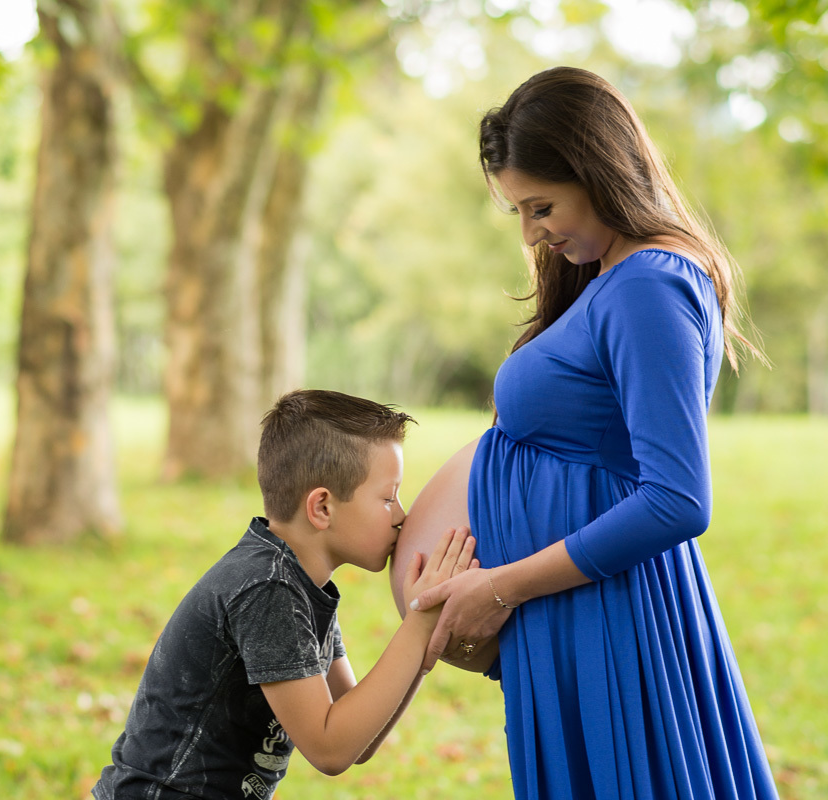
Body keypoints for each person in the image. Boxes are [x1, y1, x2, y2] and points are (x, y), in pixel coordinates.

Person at [395, 66, 780, 798]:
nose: (531, 232)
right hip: (578, 609)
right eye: (519, 211)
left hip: (604, 616)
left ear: (596, 170)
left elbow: (676, 500)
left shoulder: (647, 285)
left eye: (541, 206)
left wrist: (500, 588)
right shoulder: (616, 279)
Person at [93, 389, 477, 799]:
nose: (401, 516)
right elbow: (331, 749)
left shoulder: (300, 583)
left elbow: (359, 739)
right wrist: (417, 624)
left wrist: (425, 645)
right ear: (322, 508)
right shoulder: (267, 588)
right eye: (388, 497)